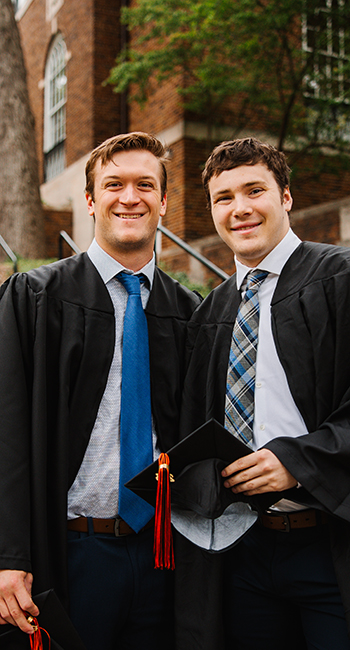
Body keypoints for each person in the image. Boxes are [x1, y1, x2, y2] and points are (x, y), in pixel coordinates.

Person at [0, 131, 201, 650]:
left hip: (165, 556)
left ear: (162, 200)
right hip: (72, 553)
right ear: (90, 200)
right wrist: (9, 557)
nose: (129, 197)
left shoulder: (190, 313)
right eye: (113, 184)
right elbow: (7, 435)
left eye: (144, 185)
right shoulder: (35, 298)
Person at [175, 137, 350, 650]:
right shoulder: (211, 312)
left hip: (330, 543)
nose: (240, 208)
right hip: (243, 552)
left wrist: (299, 461)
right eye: (223, 197)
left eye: (255, 190)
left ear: (286, 197)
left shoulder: (339, 278)